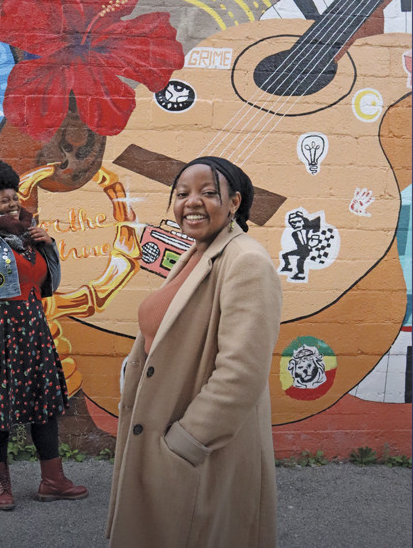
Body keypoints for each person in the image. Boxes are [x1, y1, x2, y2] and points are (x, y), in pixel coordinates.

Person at [107, 156, 282, 548]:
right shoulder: (198, 251)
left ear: (234, 202)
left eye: (207, 192)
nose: (191, 202)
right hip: (165, 429)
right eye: (182, 193)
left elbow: (241, 373)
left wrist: (186, 442)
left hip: (200, 449)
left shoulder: (247, 262)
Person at [0, 160, 86, 511]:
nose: (12, 204)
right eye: (3, 199)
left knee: (44, 408)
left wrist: (49, 245)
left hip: (32, 334)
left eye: (14, 197)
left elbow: (49, 286)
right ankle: (1, 484)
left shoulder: (29, 236)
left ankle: (53, 481)